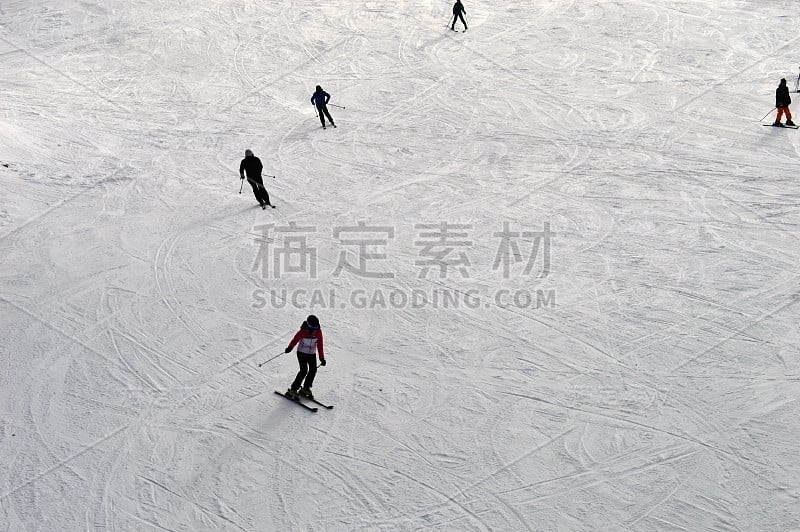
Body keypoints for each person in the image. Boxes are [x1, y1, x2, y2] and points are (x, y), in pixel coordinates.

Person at [284, 315, 326, 399]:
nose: (315, 329)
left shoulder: (318, 331)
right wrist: (290, 347)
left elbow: (320, 345)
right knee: (304, 370)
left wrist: (322, 358)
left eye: (316, 327)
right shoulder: (303, 331)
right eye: (314, 327)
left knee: (313, 369)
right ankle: (293, 389)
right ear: (309, 325)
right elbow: (295, 340)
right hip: (302, 353)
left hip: (311, 353)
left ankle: (306, 388)